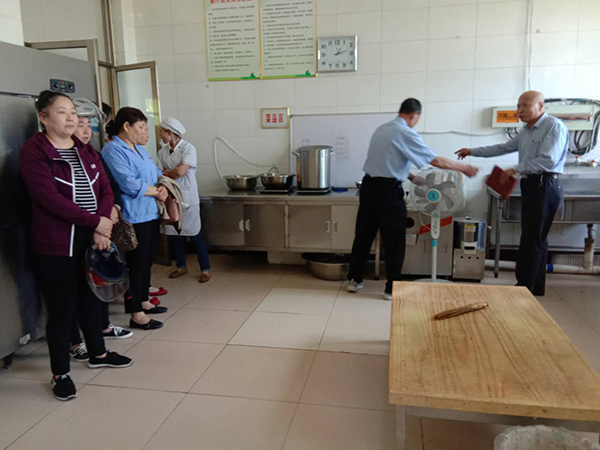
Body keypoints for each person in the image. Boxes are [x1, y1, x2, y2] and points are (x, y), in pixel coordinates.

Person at [20, 91, 133, 401]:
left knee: (93, 301)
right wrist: (96, 223)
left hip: (93, 236)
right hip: (56, 242)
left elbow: (105, 189)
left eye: (73, 112)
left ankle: (98, 353)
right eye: (62, 112)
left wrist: (102, 225)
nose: (71, 118)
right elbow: (49, 199)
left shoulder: (85, 150)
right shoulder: (34, 152)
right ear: (43, 117)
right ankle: (61, 373)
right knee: (62, 309)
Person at [347, 98, 479, 301]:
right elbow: (435, 160)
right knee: (394, 240)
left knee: (363, 236)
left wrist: (410, 177)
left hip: (368, 188)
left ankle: (354, 280)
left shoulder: (382, 129)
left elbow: (387, 161)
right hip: (388, 193)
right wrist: (464, 168)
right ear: (414, 114)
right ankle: (391, 288)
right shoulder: (404, 132)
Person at [455, 90, 568, 296]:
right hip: (531, 185)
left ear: (540, 106)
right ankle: (535, 288)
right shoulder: (526, 131)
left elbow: (548, 160)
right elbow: (502, 148)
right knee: (535, 238)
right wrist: (472, 151)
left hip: (545, 184)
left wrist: (515, 169)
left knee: (532, 239)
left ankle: (524, 288)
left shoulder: (553, 126)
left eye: (525, 105)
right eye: (518, 106)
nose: (519, 110)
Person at [102, 107, 169, 330]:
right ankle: (136, 313)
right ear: (126, 126)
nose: (144, 132)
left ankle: (144, 301)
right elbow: (128, 183)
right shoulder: (113, 150)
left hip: (150, 212)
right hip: (133, 215)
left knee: (147, 259)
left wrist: (163, 186)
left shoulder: (139, 149)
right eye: (141, 127)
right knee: (135, 264)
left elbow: (156, 172)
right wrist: (156, 192)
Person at [71, 115, 133, 347]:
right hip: (76, 232)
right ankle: (74, 342)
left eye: (89, 126)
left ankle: (103, 326)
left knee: (100, 278)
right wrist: (99, 222)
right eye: (80, 125)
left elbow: (110, 187)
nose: (86, 131)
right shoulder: (58, 158)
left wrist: (114, 208)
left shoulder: (93, 154)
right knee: (74, 290)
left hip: (101, 227)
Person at [157, 118, 211, 282]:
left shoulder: (188, 148)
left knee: (195, 234)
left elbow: (180, 172)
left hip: (188, 197)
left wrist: (168, 171)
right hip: (171, 197)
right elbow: (158, 173)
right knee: (175, 235)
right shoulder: (162, 152)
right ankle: (181, 266)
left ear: (169, 132)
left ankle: (205, 269)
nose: (160, 135)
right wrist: (171, 171)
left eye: (161, 131)